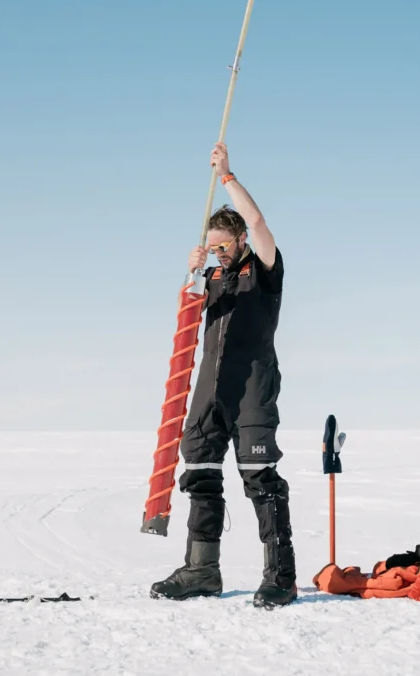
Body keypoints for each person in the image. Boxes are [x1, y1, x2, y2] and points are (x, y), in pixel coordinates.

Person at [151, 142, 296, 609]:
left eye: (223, 245)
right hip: (209, 396)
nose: (217, 252)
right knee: (201, 475)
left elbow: (257, 223)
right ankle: (201, 570)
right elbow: (188, 319)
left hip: (252, 393)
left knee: (260, 480)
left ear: (240, 243)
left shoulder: (265, 269)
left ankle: (280, 576)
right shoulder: (210, 279)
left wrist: (228, 177)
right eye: (211, 246)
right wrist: (192, 272)